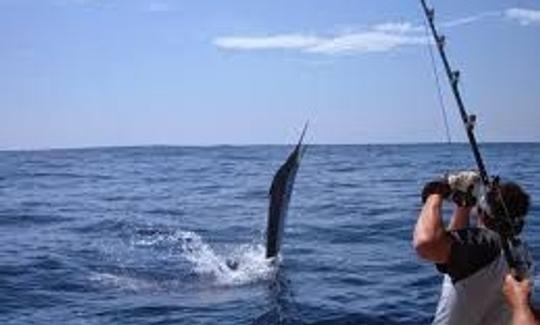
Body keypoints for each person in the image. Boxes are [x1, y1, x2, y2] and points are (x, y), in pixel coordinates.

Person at [413, 171, 531, 324]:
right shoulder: (520, 253)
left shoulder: (482, 247)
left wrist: (435, 193)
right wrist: (464, 205)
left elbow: (426, 243)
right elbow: (456, 255)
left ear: (482, 213)